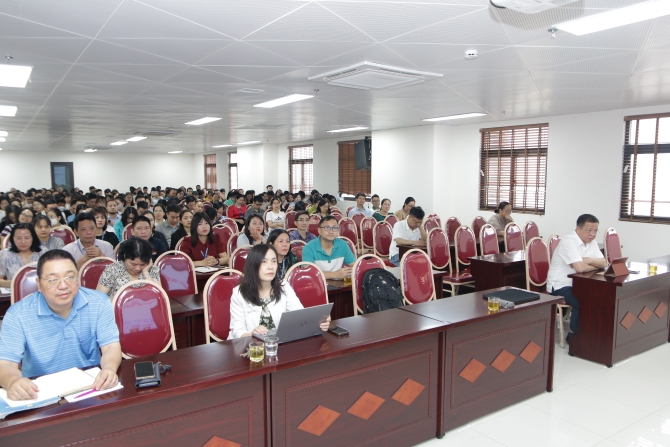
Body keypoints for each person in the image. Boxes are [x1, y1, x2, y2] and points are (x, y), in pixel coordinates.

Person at [0, 250, 121, 399]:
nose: (63, 285)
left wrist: (109, 369)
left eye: (69, 277)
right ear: (39, 284)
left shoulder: (99, 302)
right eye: (53, 280)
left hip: (89, 388)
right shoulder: (17, 315)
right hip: (39, 392)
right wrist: (13, 381)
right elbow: (5, 364)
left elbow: (110, 347)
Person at [228, 244, 330, 339]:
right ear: (253, 265)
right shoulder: (239, 293)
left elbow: (300, 316)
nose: (270, 266)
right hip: (249, 347)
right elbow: (237, 330)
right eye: (264, 262)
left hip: (277, 344)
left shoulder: (283, 286)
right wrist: (252, 335)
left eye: (273, 261)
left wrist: (319, 322)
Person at [547, 214, 606, 344]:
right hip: (560, 285)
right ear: (578, 228)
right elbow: (580, 268)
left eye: (595, 231)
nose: (592, 235)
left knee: (600, 297)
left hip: (580, 283)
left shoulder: (592, 242)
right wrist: (590, 264)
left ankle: (591, 332)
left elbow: (604, 263)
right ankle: (574, 336)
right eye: (589, 230)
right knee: (582, 302)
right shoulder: (569, 241)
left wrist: (587, 260)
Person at [96, 237, 161, 299]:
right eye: (133, 264)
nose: (138, 268)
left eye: (142, 264)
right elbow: (99, 299)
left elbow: (158, 296)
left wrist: (146, 272)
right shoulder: (112, 269)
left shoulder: (152, 270)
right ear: (125, 256)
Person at [303, 215, 356, 279]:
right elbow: (309, 273)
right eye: (327, 228)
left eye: (335, 228)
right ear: (319, 231)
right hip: (317, 283)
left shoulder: (342, 244)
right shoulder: (309, 248)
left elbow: (354, 265)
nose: (331, 231)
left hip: (339, 284)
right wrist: (334, 274)